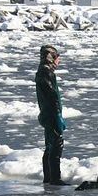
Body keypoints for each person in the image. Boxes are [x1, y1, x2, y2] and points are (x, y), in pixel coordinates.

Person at [35, 44, 68, 186]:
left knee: (50, 144)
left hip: (48, 113)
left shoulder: (44, 71)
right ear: (52, 58)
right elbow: (52, 95)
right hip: (51, 114)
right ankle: (54, 178)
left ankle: (49, 178)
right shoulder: (45, 72)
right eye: (57, 58)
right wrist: (57, 115)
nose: (58, 62)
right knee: (55, 144)